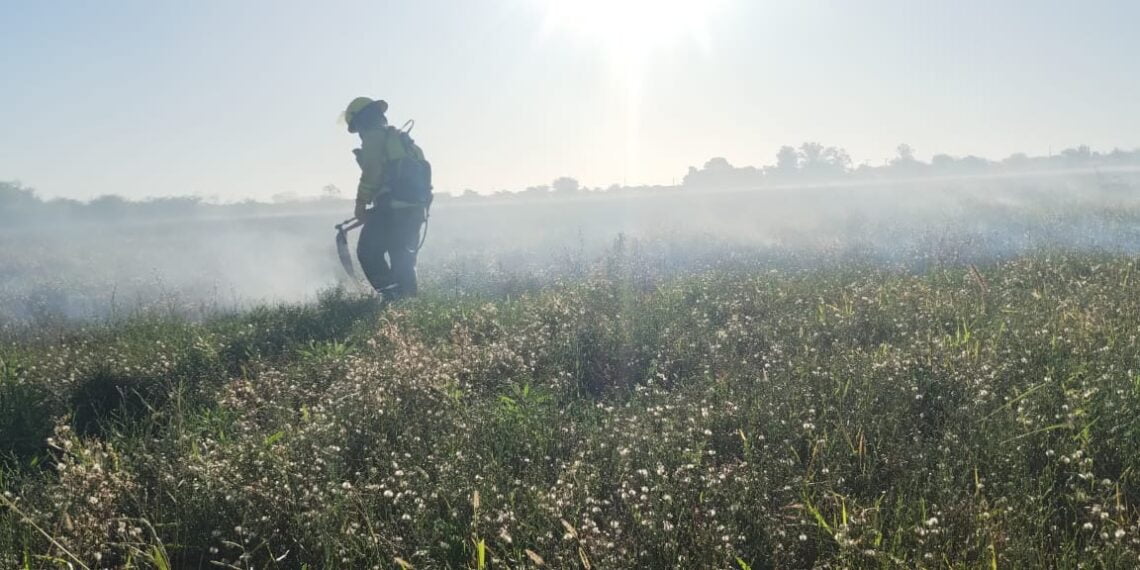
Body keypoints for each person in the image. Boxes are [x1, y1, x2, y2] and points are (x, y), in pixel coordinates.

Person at [342, 97, 431, 301]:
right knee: (403, 258)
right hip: (415, 211)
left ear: (362, 122)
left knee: (367, 252)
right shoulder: (404, 142)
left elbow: (372, 172)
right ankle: (409, 305)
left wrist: (360, 204)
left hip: (392, 211)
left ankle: (392, 298)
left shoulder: (374, 138)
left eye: (357, 128)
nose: (360, 134)